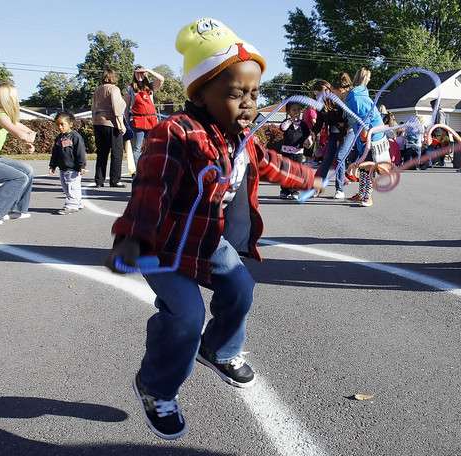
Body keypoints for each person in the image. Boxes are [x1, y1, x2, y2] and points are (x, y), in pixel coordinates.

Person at [104, 18, 322, 441]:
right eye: (236, 93)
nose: (248, 103)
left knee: (241, 289)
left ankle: (219, 349)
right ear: (200, 92)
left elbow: (276, 166)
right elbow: (151, 188)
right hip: (165, 247)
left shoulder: (241, 138)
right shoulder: (176, 133)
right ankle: (156, 386)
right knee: (186, 317)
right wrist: (133, 239)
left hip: (208, 242)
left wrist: (316, 178)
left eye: (255, 93)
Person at [0, 81, 36, 225]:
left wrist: (28, 139)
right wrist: (27, 138)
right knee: (18, 178)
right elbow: (22, 133)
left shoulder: (4, 116)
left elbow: (28, 131)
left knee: (27, 170)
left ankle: (16, 209)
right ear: (11, 99)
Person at [345, 68, 392, 207]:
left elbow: (365, 116)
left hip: (372, 135)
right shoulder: (356, 94)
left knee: (368, 166)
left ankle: (368, 196)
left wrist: (365, 135)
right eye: (369, 78)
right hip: (365, 135)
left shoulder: (357, 96)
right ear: (366, 79)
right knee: (364, 166)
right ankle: (362, 193)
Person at [313, 79, 348, 199]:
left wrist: (328, 112)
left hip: (347, 133)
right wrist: (312, 133)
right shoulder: (320, 105)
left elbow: (342, 117)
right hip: (333, 133)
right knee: (327, 160)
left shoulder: (336, 101)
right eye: (320, 92)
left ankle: (340, 190)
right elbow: (319, 123)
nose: (325, 93)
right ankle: (317, 188)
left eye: (327, 90)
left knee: (339, 158)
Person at [92, 69, 127, 188]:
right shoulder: (114, 89)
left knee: (102, 153)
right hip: (111, 123)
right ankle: (115, 180)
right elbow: (117, 107)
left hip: (97, 123)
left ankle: (99, 180)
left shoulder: (97, 90)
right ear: (113, 77)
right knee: (117, 153)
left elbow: (93, 107)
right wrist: (121, 124)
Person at [48, 112, 87, 215]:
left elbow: (80, 152)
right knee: (66, 187)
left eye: (62, 124)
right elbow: (55, 153)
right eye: (58, 125)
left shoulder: (75, 137)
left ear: (70, 124)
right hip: (63, 167)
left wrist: (81, 165)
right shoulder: (59, 138)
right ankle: (77, 202)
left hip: (73, 168)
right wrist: (52, 165)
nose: (60, 127)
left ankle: (71, 205)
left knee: (72, 186)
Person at [125, 66, 165, 165]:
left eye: (142, 73)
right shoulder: (130, 88)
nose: (140, 75)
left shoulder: (150, 86)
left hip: (151, 120)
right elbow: (126, 107)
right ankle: (140, 173)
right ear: (134, 74)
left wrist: (148, 70)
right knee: (137, 148)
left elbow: (161, 79)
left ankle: (151, 170)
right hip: (137, 120)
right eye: (137, 73)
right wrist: (126, 122)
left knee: (152, 147)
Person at [279, 101, 313, 199]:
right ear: (289, 112)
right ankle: (284, 191)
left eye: (298, 110)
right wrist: (290, 120)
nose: (296, 112)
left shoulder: (303, 124)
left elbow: (308, 135)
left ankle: (294, 191)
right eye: (294, 110)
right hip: (286, 152)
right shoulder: (286, 122)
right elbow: (283, 128)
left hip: (298, 152)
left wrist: (309, 140)